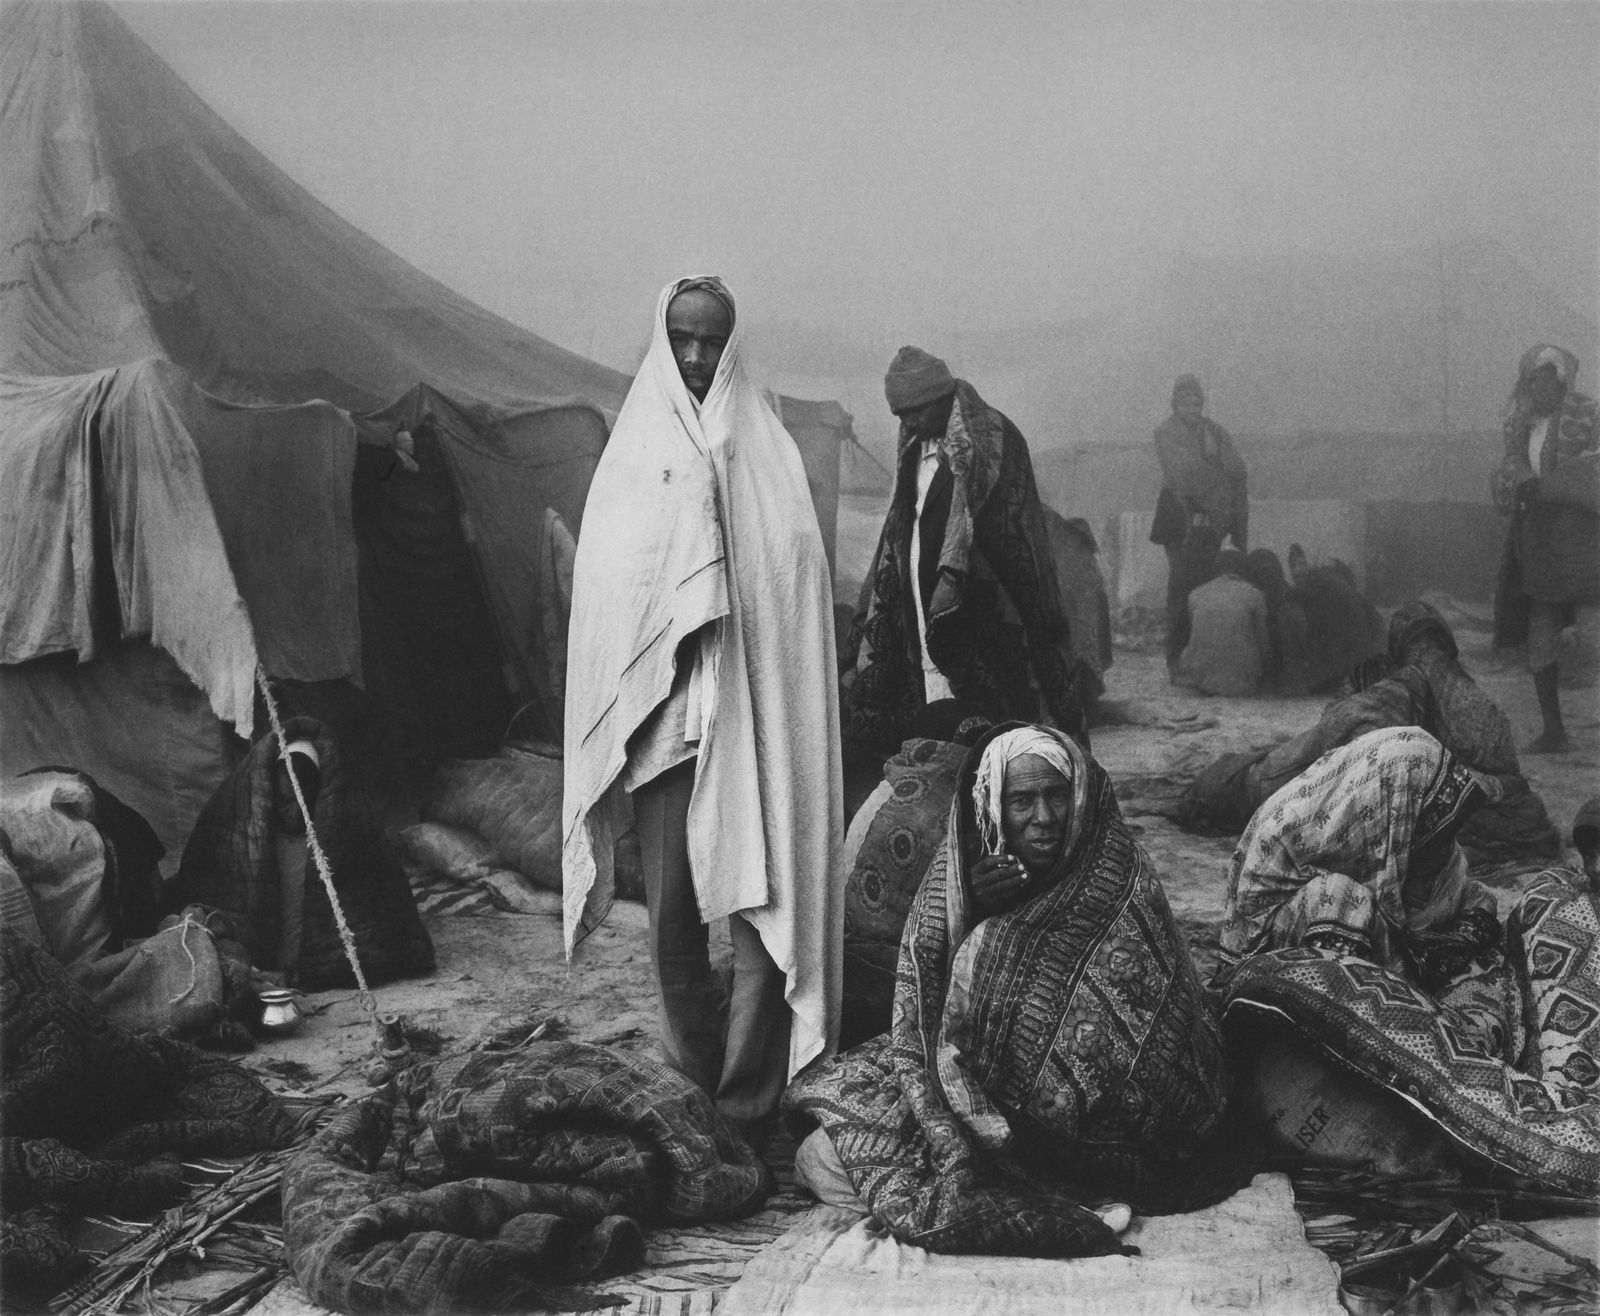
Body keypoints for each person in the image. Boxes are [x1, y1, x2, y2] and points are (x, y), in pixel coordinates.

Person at [561, 277, 843, 1141]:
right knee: (675, 919)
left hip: (757, 722)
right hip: (665, 728)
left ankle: (748, 1098)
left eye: (711, 340)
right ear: (661, 337)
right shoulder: (633, 455)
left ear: (732, 345)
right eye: (681, 337)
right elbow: (610, 590)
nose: (695, 355)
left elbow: (793, 580)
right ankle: (694, 1073)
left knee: (765, 913)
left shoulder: (768, 454)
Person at [785, 724, 1240, 1257]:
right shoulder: (965, 868)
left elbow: (1140, 1034)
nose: (1043, 818)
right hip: (975, 1079)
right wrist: (972, 907)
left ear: (1081, 797)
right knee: (820, 1153)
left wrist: (995, 942)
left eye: (1056, 796)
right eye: (1022, 801)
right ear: (993, 807)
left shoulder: (1123, 877)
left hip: (1094, 1128)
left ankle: (1044, 1193)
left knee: (861, 1165)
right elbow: (923, 986)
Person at [1212, 733, 1600, 1192]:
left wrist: (1462, 940)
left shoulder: (1404, 844)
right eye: (1435, 825)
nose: (1445, 843)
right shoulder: (1314, 876)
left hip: (1400, 1006)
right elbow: (1326, 995)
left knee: (1485, 991)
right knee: (1345, 905)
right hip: (1307, 1032)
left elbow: (1468, 898)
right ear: (1392, 811)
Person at [840, 348, 1084, 764]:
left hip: (985, 617)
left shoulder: (995, 441)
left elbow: (1013, 535)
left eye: (915, 411)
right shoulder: (914, 452)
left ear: (941, 398)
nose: (908, 423)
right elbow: (904, 528)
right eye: (900, 415)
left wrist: (957, 583)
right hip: (924, 613)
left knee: (997, 735)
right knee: (938, 727)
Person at [1183, 600, 1561, 863]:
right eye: (1425, 649)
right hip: (1260, 788)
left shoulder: (1419, 692)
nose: (1432, 661)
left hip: (1292, 783)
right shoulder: (1401, 694)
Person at [1491, 344, 1600, 753]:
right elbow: (1508, 471)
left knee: (1593, 634)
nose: (1542, 388)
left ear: (1562, 382)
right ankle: (1554, 731)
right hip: (1538, 543)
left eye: (1549, 381)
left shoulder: (1588, 416)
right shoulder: (1520, 423)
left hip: (1583, 540)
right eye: (1535, 381)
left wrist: (1559, 486)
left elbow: (1593, 470)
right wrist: (1522, 482)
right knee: (1540, 639)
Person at [1149, 374, 1248, 674]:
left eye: (1196, 403)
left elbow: (1237, 468)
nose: (1191, 409)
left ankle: (1200, 655)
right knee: (1182, 585)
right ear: (1175, 404)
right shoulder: (1165, 432)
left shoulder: (1214, 431)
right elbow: (1182, 473)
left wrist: (1218, 476)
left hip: (1211, 518)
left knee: (1205, 584)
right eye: (1185, 404)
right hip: (1178, 516)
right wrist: (1216, 474)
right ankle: (1176, 659)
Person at [1174, 549, 1271, 696]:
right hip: (1242, 682)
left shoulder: (1196, 594)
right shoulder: (1254, 594)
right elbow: (1263, 642)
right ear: (1243, 568)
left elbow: (1195, 636)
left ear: (1216, 567)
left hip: (1200, 680)